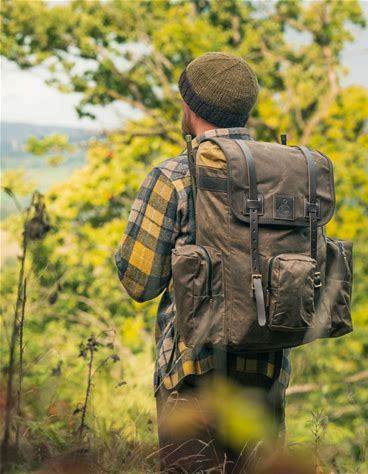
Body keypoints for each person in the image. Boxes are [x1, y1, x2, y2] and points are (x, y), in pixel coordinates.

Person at [115, 52, 290, 472]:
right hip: (265, 370)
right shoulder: (284, 173)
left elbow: (139, 283)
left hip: (190, 373)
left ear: (189, 106)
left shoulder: (174, 175)